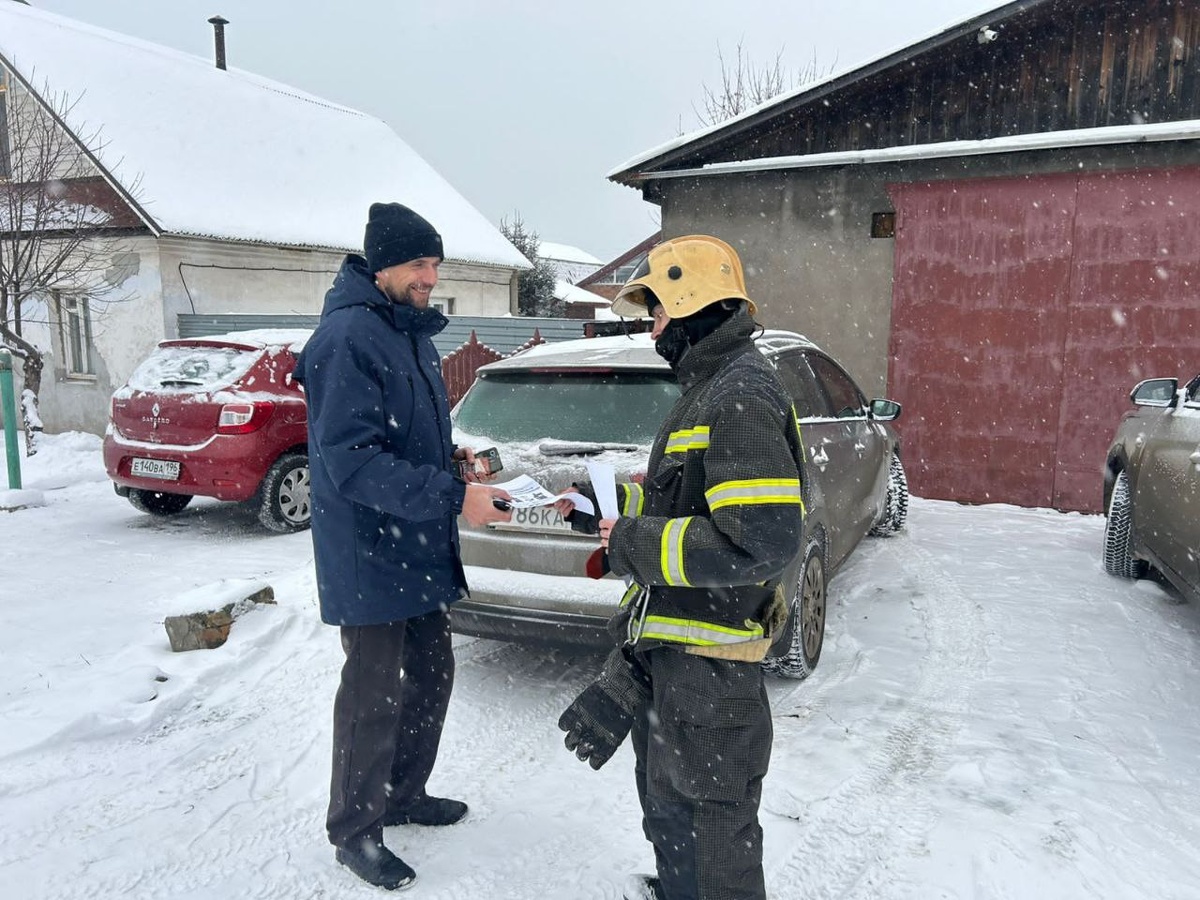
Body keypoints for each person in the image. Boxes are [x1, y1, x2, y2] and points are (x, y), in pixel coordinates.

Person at [553, 235, 805, 900]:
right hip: (679, 656)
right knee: (670, 806)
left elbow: (759, 542)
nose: (653, 328)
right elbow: (686, 503)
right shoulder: (710, 388)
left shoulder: (740, 395)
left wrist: (631, 540)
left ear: (693, 303)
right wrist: (609, 508)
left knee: (713, 826)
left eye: (659, 312)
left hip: (712, 667)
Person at [294, 202, 512, 891]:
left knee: (431, 675)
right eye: (419, 263)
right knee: (372, 695)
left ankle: (404, 793)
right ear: (383, 264)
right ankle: (355, 830)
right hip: (369, 553)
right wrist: (453, 499)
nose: (431, 277)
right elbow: (353, 462)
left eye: (436, 264)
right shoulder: (346, 338)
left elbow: (403, 435)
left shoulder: (408, 331)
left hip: (414, 543)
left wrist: (453, 462)